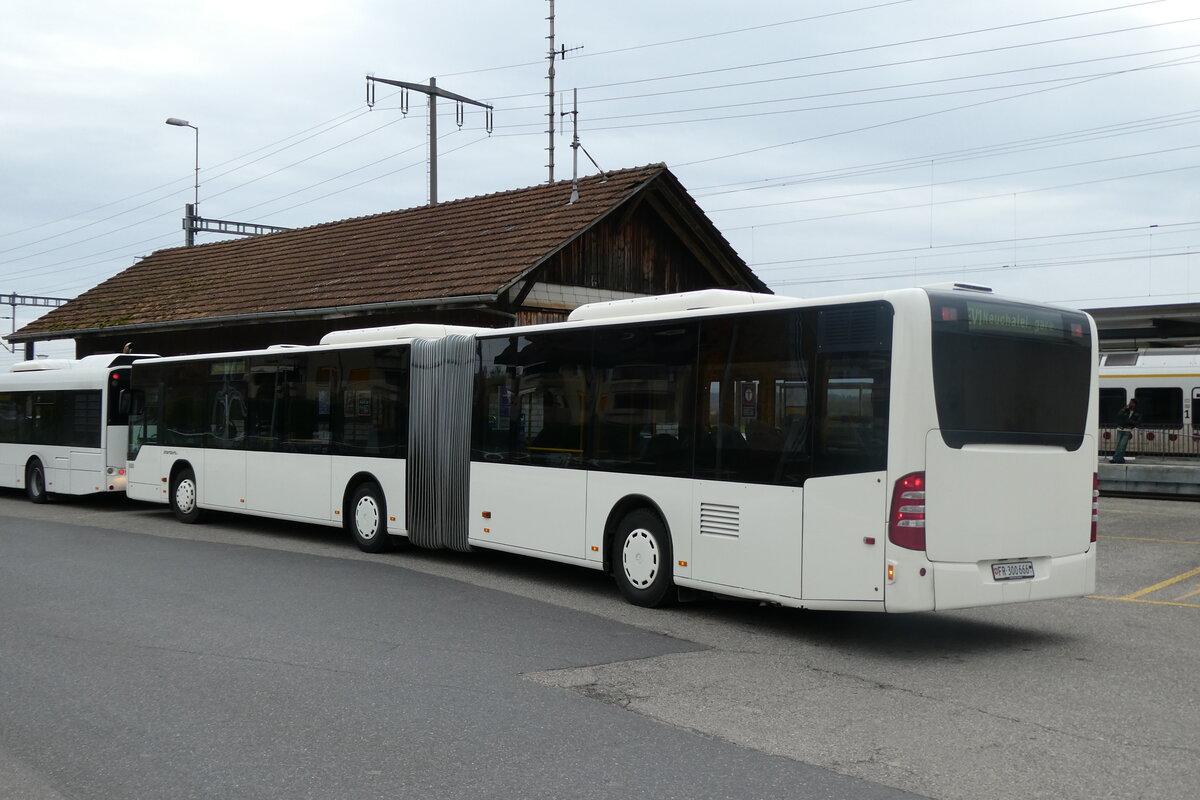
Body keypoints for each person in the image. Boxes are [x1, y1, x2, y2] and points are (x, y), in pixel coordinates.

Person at [1111, 398, 1140, 463]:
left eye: (1131, 403)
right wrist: (1125, 408)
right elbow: (1118, 415)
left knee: (1122, 445)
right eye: (1130, 402)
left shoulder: (1137, 412)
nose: (1130, 403)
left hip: (1127, 430)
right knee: (1118, 445)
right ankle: (1118, 459)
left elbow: (1138, 422)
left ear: (1134, 404)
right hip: (1120, 428)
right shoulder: (1125, 409)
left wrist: (1131, 423)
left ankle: (1117, 459)